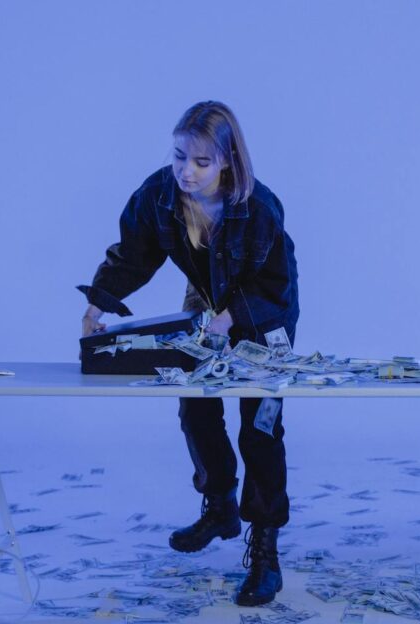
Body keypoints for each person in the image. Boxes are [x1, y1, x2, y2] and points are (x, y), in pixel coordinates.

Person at [82, 101, 299, 607]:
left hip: (264, 312)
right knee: (195, 405)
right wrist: (98, 300)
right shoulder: (160, 194)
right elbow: (132, 253)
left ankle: (265, 548)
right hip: (204, 302)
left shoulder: (260, 207)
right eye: (180, 156)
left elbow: (277, 287)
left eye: (201, 162)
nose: (186, 171)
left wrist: (234, 320)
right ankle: (220, 504)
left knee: (260, 428)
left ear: (227, 160)